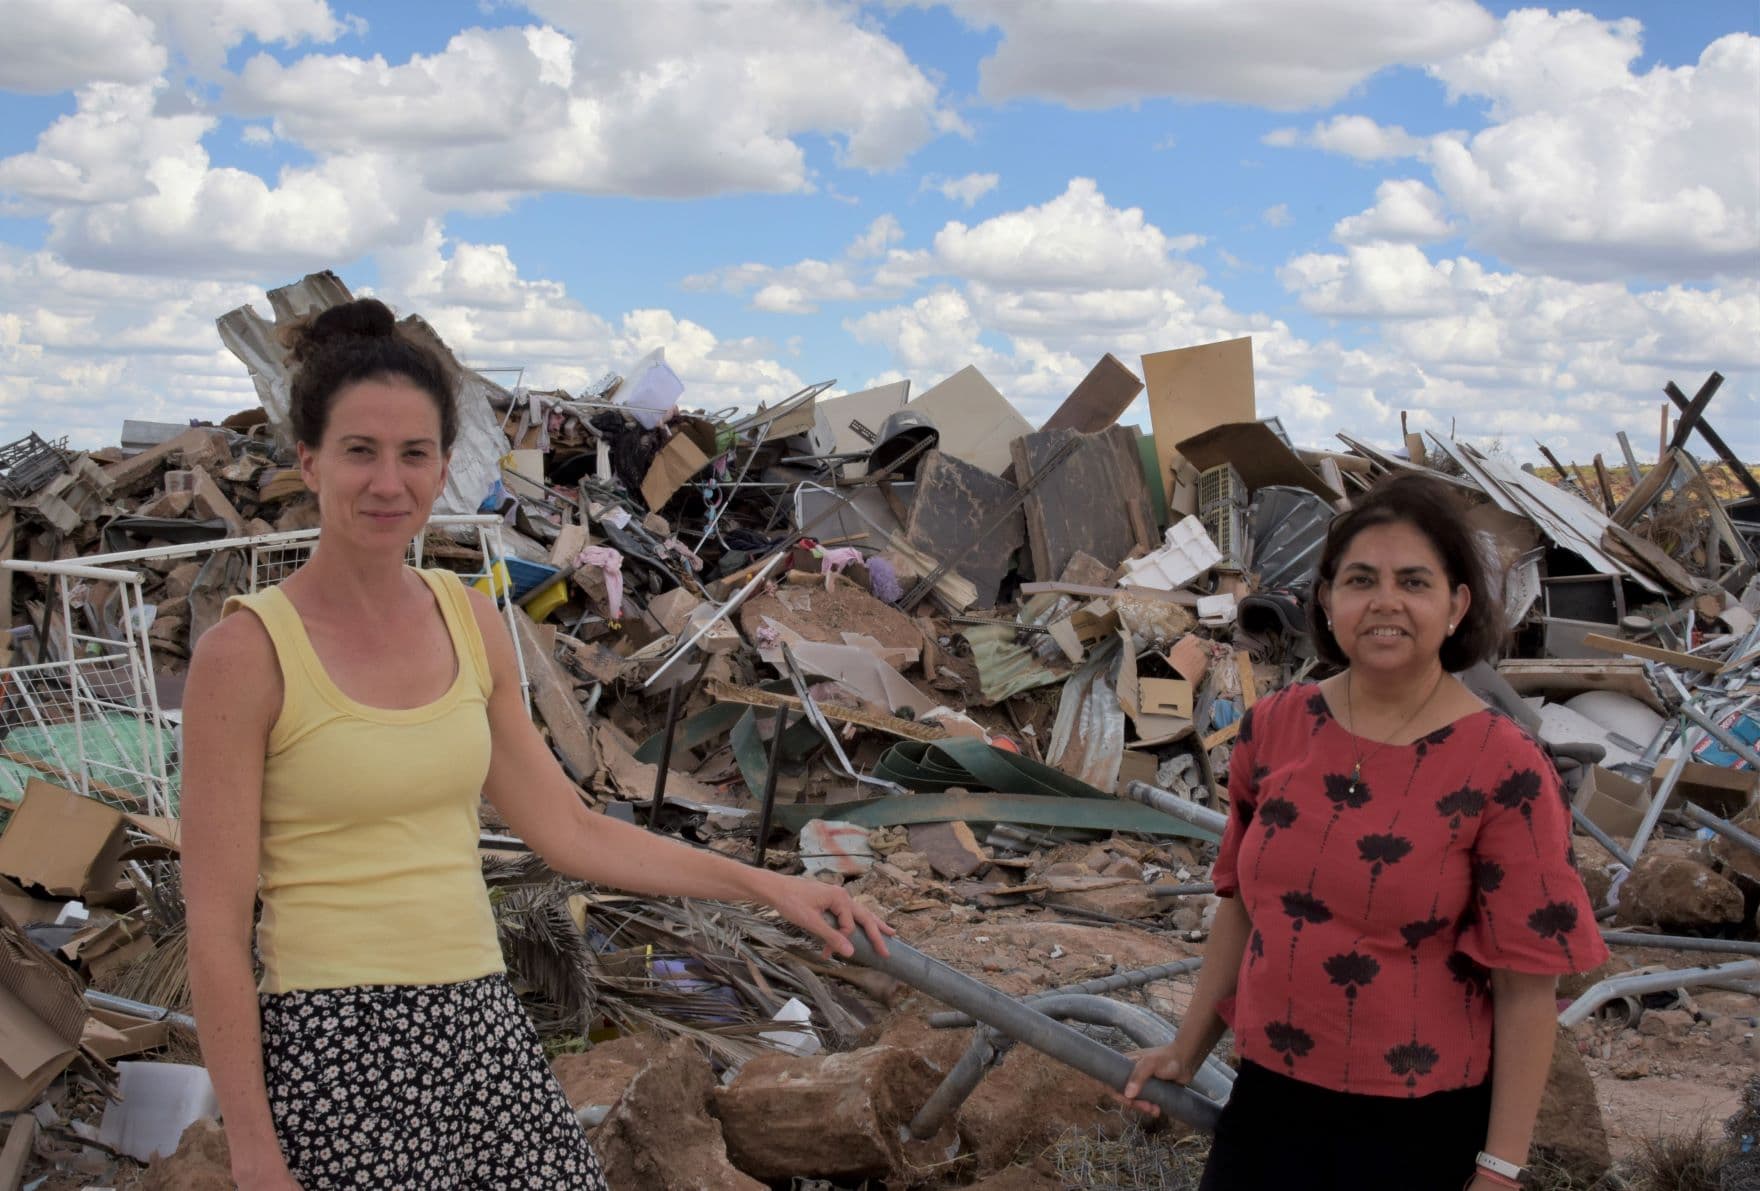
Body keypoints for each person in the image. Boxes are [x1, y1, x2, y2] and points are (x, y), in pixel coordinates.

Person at [181, 299, 893, 1191]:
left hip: (480, 1025)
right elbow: (214, 928)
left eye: (415, 454)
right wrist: (254, 1151)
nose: (388, 481)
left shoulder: (470, 621)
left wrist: (770, 885)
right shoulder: (246, 654)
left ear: (445, 466)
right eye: (360, 451)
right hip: (332, 1051)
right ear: (309, 461)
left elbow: (572, 831)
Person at [1123, 473, 1608, 1191]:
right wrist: (1187, 1050)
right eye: (1360, 579)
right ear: (1326, 599)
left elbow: (1527, 987)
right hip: (1268, 1108)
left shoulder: (1505, 766)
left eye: (1414, 581)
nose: (1385, 601)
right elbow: (1242, 905)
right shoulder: (1275, 727)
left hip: (1418, 1130)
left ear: (1456, 604)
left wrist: (1500, 1167)